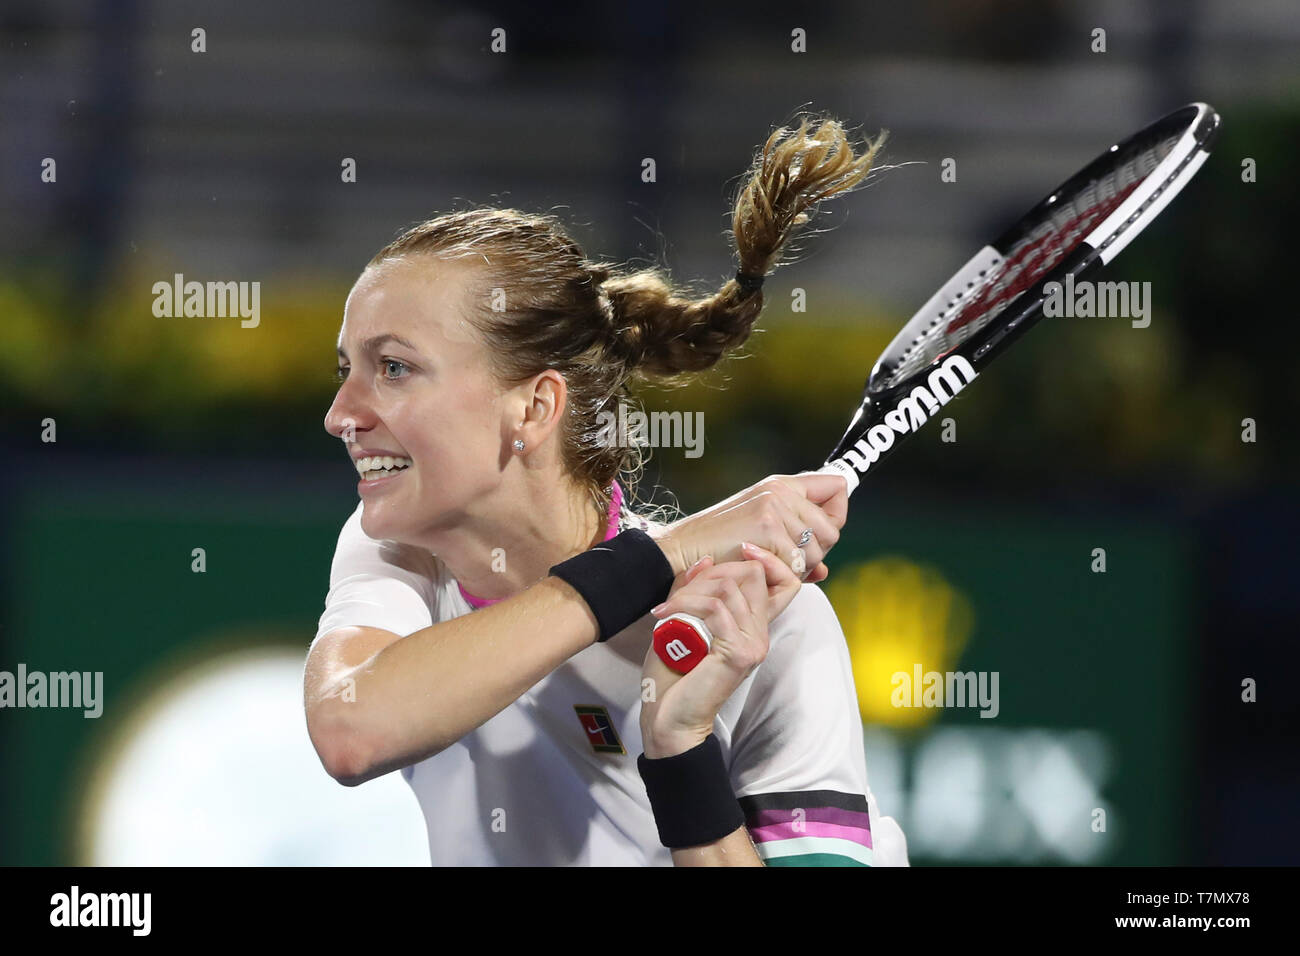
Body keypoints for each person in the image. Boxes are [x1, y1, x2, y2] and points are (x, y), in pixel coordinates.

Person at [304, 113, 908, 866]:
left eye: (393, 368)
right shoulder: (395, 551)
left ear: (533, 407)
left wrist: (680, 749)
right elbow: (352, 732)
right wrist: (662, 558)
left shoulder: (770, 626)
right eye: (347, 371)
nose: (341, 416)